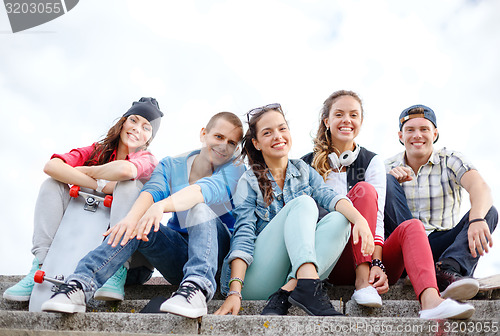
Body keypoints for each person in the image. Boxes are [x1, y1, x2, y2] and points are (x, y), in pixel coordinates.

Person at [40, 111, 245, 319]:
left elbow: (204, 190)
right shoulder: (171, 164)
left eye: (231, 142)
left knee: (199, 207)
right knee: (136, 221)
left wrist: (161, 206)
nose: (223, 146)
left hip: (217, 261)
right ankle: (80, 285)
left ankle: (197, 290)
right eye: (218, 137)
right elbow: (152, 191)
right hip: (179, 257)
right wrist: (130, 219)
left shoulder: (235, 169)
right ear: (204, 134)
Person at [303, 91, 476, 319]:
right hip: (330, 261)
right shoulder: (305, 165)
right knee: (363, 192)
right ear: (327, 121)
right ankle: (362, 282)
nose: (347, 120)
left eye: (353, 115)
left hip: (369, 255)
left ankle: (431, 301)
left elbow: (377, 218)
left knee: (412, 225)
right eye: (339, 114)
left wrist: (377, 263)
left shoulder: (371, 161)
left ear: (361, 122)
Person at [215, 103, 374, 317]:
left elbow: (331, 197)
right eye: (268, 132)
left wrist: (360, 220)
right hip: (254, 280)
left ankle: (291, 291)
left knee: (341, 219)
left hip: (287, 278)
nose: (278, 136)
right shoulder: (249, 180)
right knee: (304, 203)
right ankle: (307, 285)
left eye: (282, 129)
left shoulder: (303, 170)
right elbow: (243, 235)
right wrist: (235, 291)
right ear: (257, 143)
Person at [3, 97, 163, 303]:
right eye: (133, 120)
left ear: (149, 138)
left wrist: (85, 175)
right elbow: (52, 167)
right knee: (52, 184)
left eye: (146, 127)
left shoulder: (147, 159)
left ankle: (116, 272)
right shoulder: (98, 151)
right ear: (123, 122)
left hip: (134, 263)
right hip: (83, 245)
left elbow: (125, 170)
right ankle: (41, 267)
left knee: (128, 184)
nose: (136, 129)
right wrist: (99, 184)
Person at [384, 104, 498, 302]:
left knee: (489, 211)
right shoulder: (387, 167)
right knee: (385, 182)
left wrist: (477, 219)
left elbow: (481, 187)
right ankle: (413, 270)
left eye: (424, 129)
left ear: (435, 133)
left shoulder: (450, 160)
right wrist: (388, 183)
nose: (417, 135)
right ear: (401, 136)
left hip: (440, 245)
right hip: (403, 246)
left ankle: (448, 271)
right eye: (410, 130)